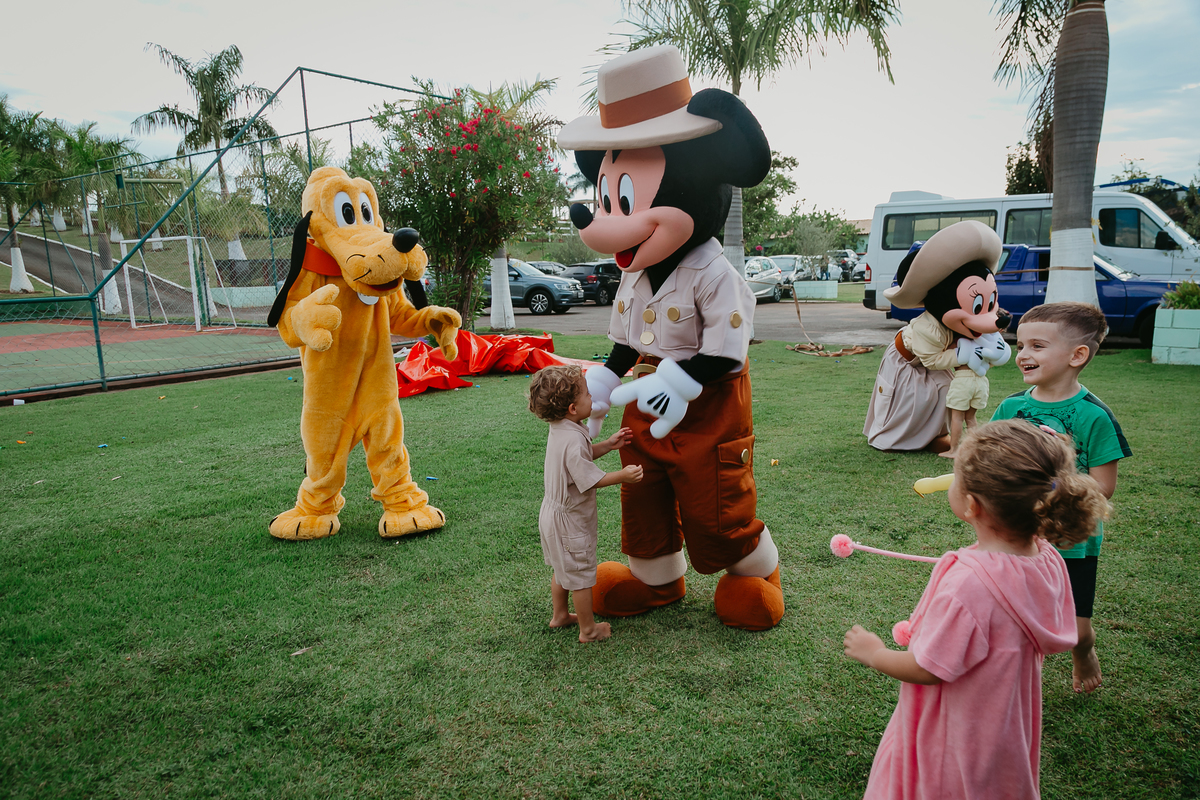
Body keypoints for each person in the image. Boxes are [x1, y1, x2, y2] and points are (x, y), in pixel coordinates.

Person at [844, 419, 1109, 799]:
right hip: (1005, 722)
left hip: (958, 729)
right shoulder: (1048, 558)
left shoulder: (970, 585)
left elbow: (927, 668)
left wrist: (875, 654)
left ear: (971, 505)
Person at [991, 302, 1131, 693]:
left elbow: (1104, 485)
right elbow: (992, 462)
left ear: (1077, 355)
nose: (1023, 355)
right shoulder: (1012, 407)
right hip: (1017, 533)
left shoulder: (1094, 416)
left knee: (1075, 627)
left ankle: (1084, 652)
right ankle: (1008, 674)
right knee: (1009, 614)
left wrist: (1057, 479)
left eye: (1037, 346)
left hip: (1073, 540)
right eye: (1021, 345)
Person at [528, 365, 644, 643]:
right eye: (588, 394)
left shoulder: (563, 428)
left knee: (562, 568)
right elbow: (587, 479)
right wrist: (622, 476)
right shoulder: (572, 438)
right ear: (572, 408)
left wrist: (607, 444)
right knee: (580, 575)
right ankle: (589, 630)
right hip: (570, 521)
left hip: (552, 514)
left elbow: (581, 457)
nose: (593, 398)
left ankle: (559, 615)